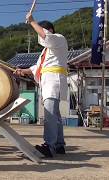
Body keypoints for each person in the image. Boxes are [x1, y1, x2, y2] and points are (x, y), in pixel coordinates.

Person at [14, 13, 68, 158]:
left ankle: (49, 146)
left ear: (49, 30)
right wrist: (22, 71)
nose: (39, 36)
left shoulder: (59, 39)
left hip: (53, 81)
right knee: (55, 116)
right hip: (48, 82)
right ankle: (59, 145)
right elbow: (36, 68)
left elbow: (46, 36)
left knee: (50, 115)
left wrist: (32, 21)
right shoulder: (46, 51)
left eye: (40, 31)